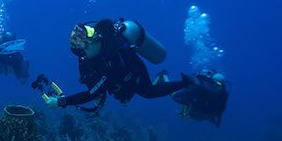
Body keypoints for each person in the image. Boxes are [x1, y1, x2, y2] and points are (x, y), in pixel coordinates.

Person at [44, 18, 191, 112]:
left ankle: (186, 82)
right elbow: (92, 85)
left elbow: (91, 93)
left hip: (133, 71)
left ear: (94, 39)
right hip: (117, 80)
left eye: (84, 50)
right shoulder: (86, 56)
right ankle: (163, 77)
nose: (82, 56)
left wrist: (60, 102)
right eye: (79, 53)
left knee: (148, 92)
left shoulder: (111, 57)